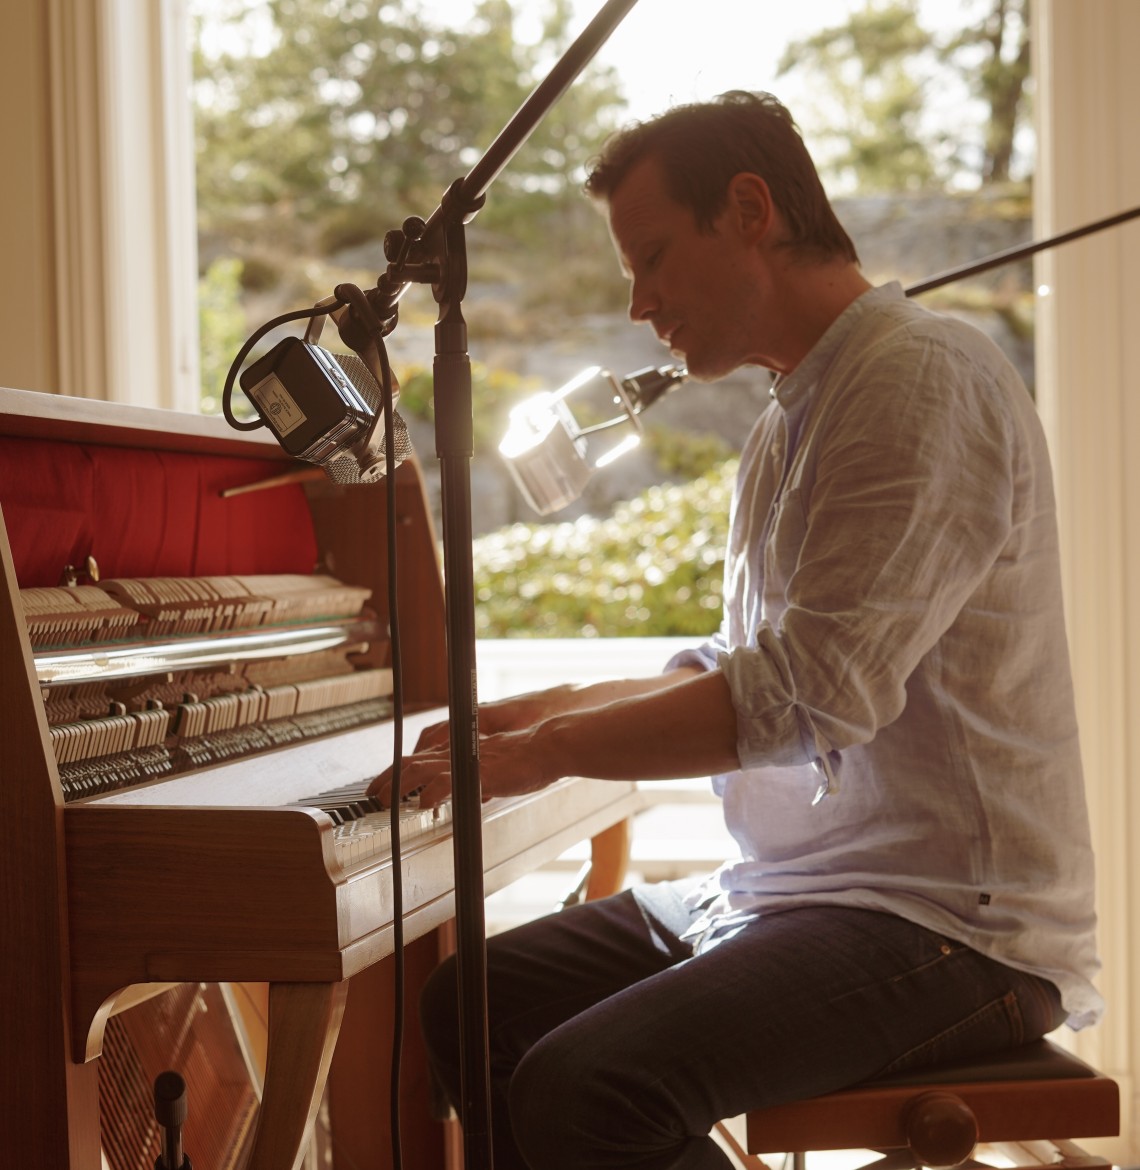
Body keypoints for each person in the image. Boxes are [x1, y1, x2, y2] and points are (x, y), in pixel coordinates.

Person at [371, 91, 1103, 1170]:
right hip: (795, 895)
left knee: (587, 1089)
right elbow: (739, 667)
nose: (637, 305)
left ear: (751, 209)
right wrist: (535, 713)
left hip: (950, 925)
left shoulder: (918, 378)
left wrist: (540, 755)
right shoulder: (792, 416)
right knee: (472, 1005)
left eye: (654, 257)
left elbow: (811, 695)